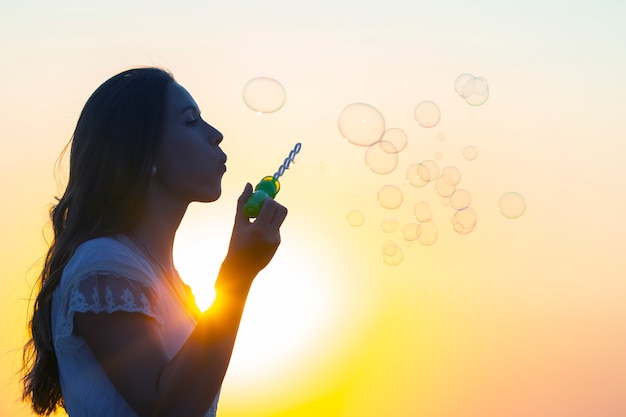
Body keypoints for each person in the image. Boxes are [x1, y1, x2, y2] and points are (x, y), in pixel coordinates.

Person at [22, 67, 288, 417]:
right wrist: (237, 275)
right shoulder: (103, 267)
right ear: (143, 150)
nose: (217, 135)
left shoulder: (164, 280)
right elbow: (170, 409)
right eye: (191, 121)